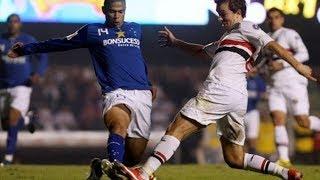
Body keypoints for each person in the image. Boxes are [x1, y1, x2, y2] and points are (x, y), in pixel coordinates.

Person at [114, 0, 317, 179]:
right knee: (234, 157)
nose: (221, 18)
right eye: (219, 15)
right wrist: (176, 43)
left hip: (220, 89)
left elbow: (272, 45)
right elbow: (202, 50)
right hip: (236, 97)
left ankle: (145, 172)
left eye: (224, 14)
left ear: (238, 12)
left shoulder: (246, 27)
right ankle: (284, 173)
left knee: (177, 128)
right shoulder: (228, 39)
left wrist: (297, 66)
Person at [7, 0, 156, 179]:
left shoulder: (136, 29)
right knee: (118, 125)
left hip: (142, 94)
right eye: (112, 12)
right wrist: (26, 50)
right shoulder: (92, 31)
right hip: (116, 92)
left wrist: (148, 84)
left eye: (120, 12)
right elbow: (60, 43)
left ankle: (101, 166)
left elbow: (137, 59)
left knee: (133, 158)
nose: (116, 16)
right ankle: (116, 170)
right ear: (103, 11)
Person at [264, 7, 320, 167]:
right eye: (270, 17)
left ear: (282, 19)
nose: (273, 20)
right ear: (267, 20)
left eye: (276, 17)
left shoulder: (288, 33)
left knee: (302, 121)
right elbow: (266, 62)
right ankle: (284, 159)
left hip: (293, 83)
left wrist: (281, 64)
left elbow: (304, 54)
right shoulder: (266, 38)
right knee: (278, 119)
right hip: (274, 85)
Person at [0, 14, 48, 166]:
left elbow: (42, 55)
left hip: (22, 84)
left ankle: (8, 158)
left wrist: (38, 73)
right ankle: (28, 119)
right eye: (10, 21)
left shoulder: (28, 40)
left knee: (13, 119)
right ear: (7, 24)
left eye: (16, 21)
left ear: (20, 24)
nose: (13, 24)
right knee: (7, 124)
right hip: (3, 86)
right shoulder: (1, 40)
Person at [244, 68, 266, 153]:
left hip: (252, 111)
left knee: (252, 137)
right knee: (240, 138)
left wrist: (258, 96)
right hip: (239, 111)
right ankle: (241, 159)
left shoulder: (258, 81)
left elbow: (264, 95)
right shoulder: (239, 79)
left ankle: (252, 157)